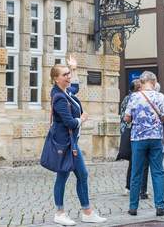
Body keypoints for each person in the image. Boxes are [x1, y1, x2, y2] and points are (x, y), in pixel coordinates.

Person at [49, 57, 106, 225]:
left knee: (81, 174)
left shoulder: (66, 92)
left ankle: (87, 212)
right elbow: (70, 122)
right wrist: (82, 119)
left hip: (71, 142)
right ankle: (60, 213)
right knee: (63, 176)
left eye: (68, 74)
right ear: (56, 79)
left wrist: (74, 69)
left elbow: (76, 87)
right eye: (65, 74)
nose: (68, 77)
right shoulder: (59, 96)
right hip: (65, 143)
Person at [124, 71, 164, 216]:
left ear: (141, 82)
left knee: (136, 172)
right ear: (154, 81)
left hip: (138, 139)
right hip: (155, 138)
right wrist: (161, 118)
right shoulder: (159, 96)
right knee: (157, 172)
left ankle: (133, 207)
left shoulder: (133, 97)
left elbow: (127, 118)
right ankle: (160, 206)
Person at [121, 79, 149, 197]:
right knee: (140, 162)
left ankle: (129, 187)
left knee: (134, 161)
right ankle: (141, 189)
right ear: (138, 88)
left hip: (129, 132)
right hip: (135, 132)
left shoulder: (127, 98)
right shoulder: (134, 98)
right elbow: (127, 117)